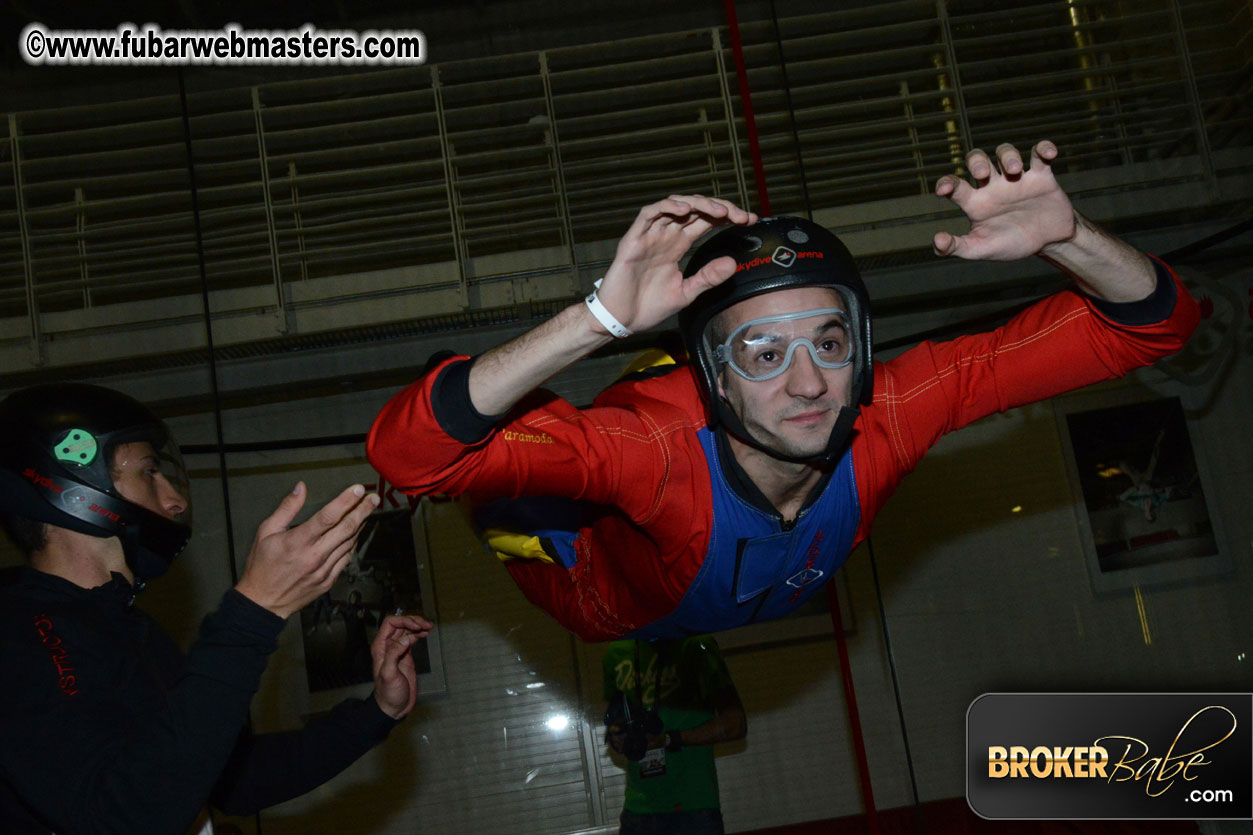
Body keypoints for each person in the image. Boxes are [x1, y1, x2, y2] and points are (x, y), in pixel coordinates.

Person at [367, 140, 1199, 641]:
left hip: (697, 454)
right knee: (504, 475)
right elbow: (410, 458)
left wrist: (1073, 238)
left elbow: (1152, 326)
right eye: (764, 353)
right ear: (714, 370)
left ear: (859, 347)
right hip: (592, 581)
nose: (810, 383)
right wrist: (596, 320)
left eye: (829, 343)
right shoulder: (650, 458)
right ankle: (525, 377)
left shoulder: (886, 411)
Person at [0, 383, 433, 834]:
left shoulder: (129, 629)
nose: (175, 499)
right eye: (150, 472)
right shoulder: (17, 639)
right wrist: (256, 608)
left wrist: (377, 711)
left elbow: (228, 779)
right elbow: (126, 816)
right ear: (76, 483)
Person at [602, 636, 746, 834]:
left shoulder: (695, 644)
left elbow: (735, 724)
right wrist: (618, 737)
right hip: (638, 809)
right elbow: (615, 719)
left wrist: (670, 739)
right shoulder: (617, 651)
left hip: (693, 806)